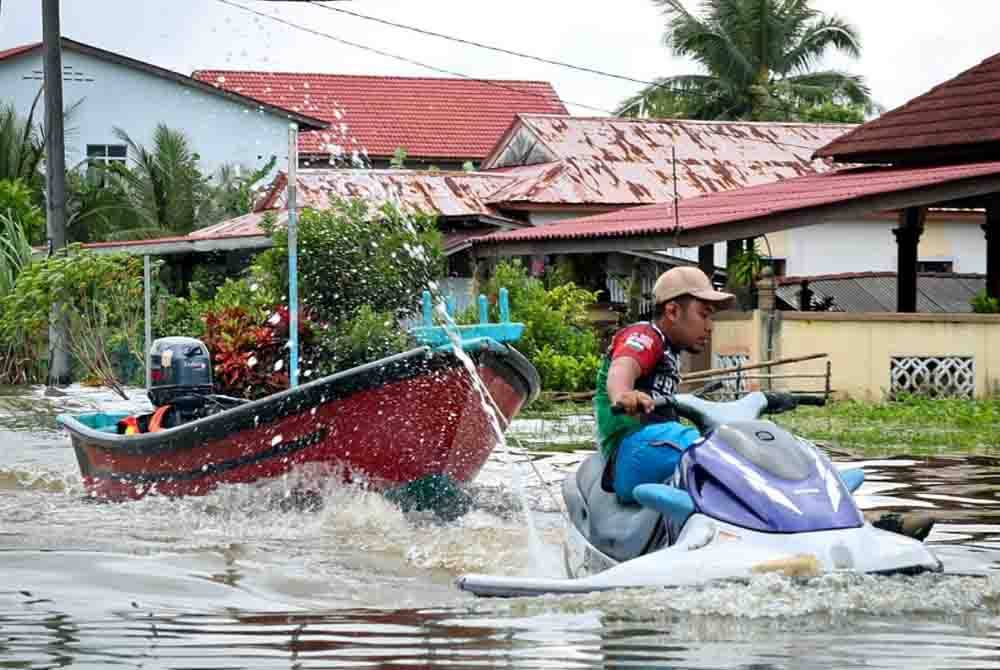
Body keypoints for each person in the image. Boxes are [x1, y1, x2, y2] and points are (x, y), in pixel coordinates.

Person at [594, 266, 734, 503]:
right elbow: (622, 368)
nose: (710, 326)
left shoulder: (670, 350)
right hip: (636, 448)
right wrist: (624, 395)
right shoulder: (646, 335)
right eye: (704, 314)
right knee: (717, 452)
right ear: (673, 311)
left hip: (652, 448)